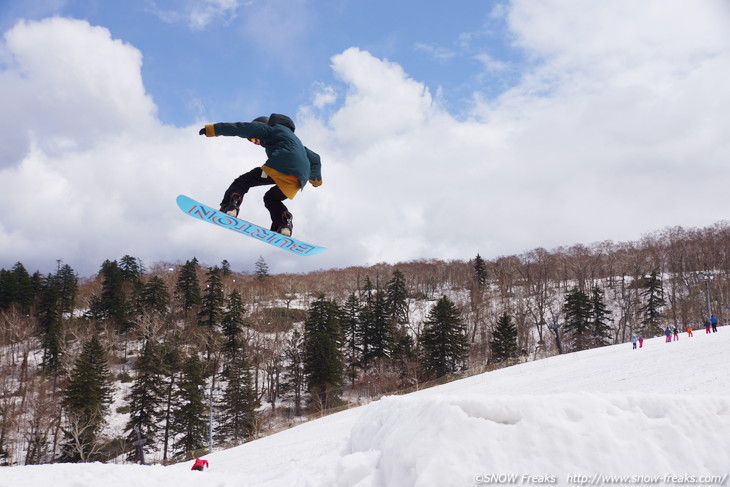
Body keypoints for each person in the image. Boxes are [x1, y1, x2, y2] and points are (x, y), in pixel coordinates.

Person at [199, 114, 322, 236]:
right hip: (299, 178)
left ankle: (231, 206)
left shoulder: (269, 129)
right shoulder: (294, 141)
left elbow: (241, 128)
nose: (255, 142)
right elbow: (315, 158)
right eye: (252, 141)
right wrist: (316, 180)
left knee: (244, 181)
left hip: (280, 166)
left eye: (253, 138)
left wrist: (213, 130)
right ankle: (284, 225)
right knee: (271, 198)